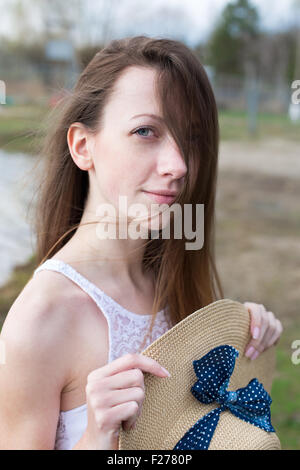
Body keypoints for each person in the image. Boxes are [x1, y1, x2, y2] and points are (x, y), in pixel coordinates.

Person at [0, 36, 283, 450]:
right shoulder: (42, 321)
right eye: (145, 131)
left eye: (192, 138)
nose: (179, 165)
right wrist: (97, 437)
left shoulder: (174, 285)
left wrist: (243, 336)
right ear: (83, 146)